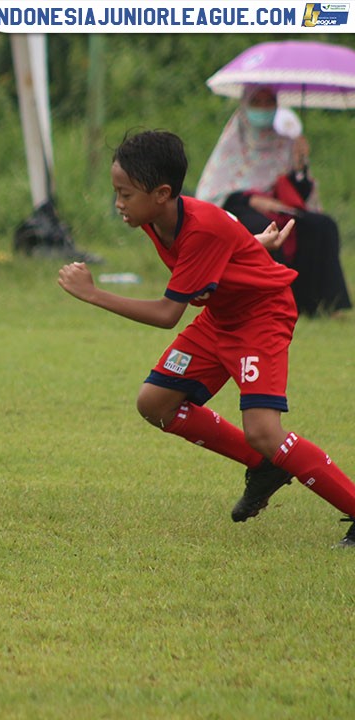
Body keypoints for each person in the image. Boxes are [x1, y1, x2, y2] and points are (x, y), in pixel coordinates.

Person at [58, 129, 355, 548]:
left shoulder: (198, 226)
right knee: (155, 403)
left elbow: (167, 314)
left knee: (264, 431)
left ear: (162, 193)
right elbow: (218, 247)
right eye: (116, 192)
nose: (118, 203)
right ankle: (265, 467)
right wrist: (251, 245)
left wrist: (93, 294)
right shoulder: (156, 217)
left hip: (261, 316)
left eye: (125, 194)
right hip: (221, 317)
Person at [195, 85, 351, 317]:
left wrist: (299, 165)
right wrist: (252, 199)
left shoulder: (286, 143)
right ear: (245, 105)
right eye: (257, 102)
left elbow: (299, 193)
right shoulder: (232, 143)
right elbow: (216, 194)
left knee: (322, 225)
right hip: (241, 208)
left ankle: (322, 304)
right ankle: (273, 299)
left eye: (269, 103)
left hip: (281, 206)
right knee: (263, 228)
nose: (263, 109)